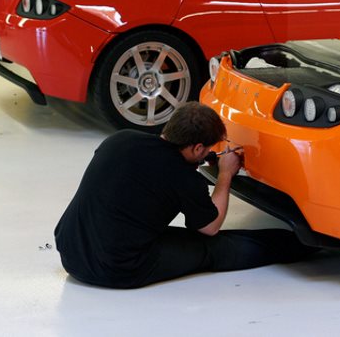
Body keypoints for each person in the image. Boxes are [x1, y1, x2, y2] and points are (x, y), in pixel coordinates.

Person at [55, 101, 312, 288]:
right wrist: (225, 174)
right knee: (213, 248)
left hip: (71, 251)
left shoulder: (120, 140)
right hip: (118, 267)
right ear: (198, 148)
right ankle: (303, 246)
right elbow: (210, 227)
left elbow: (142, 174)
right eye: (207, 149)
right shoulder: (183, 178)